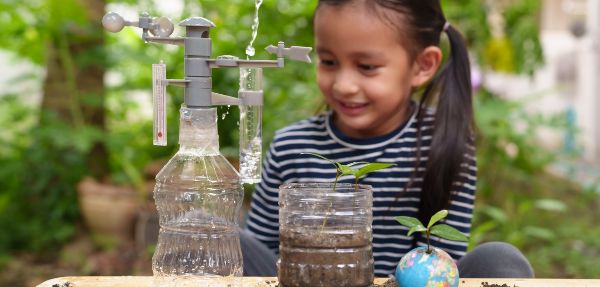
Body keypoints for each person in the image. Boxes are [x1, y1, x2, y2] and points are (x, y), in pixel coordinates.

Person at [242, 0, 534, 278]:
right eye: (328, 61)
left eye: (366, 67)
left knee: (500, 260)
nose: (343, 85)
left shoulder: (443, 145)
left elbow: (441, 265)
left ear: (422, 66)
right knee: (228, 239)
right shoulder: (291, 146)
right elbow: (259, 255)